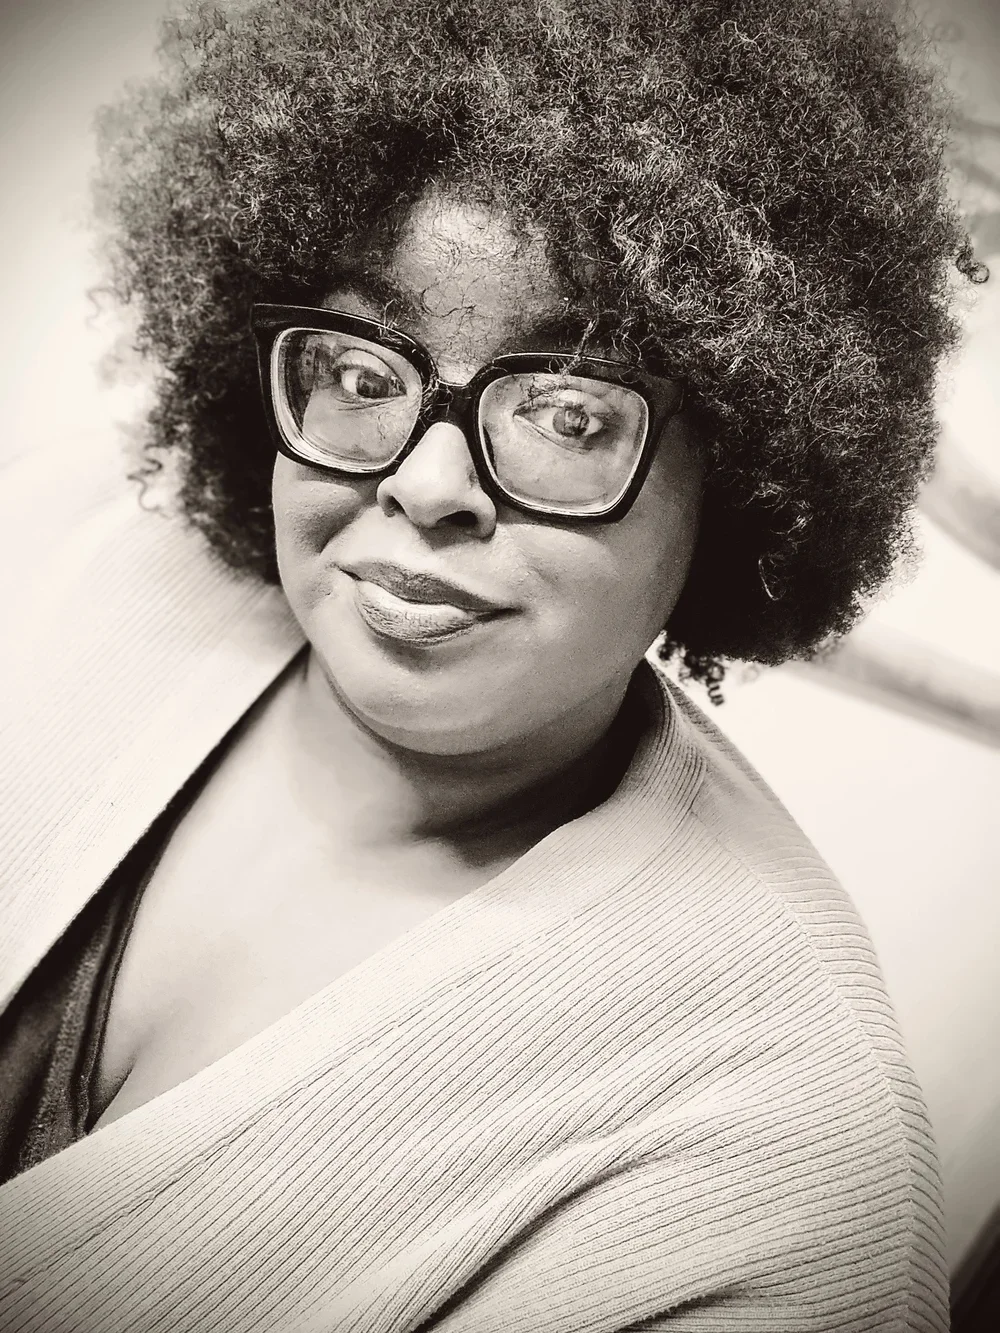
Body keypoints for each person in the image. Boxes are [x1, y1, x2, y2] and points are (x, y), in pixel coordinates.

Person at [0, 0, 980, 1328]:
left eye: (566, 413)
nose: (425, 480)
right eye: (363, 373)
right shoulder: (55, 547)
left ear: (746, 477)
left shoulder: (778, 1170)